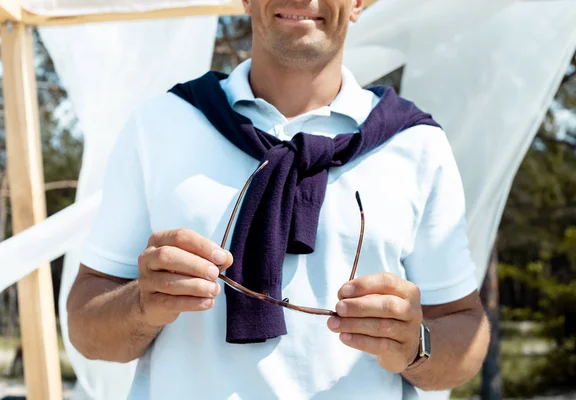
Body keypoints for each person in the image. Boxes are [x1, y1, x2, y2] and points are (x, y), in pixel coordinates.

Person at [67, 0, 491, 398]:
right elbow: (85, 325)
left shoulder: (416, 145)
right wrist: (141, 304)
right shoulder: (159, 126)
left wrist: (416, 343)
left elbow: (463, 330)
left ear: (361, 0)